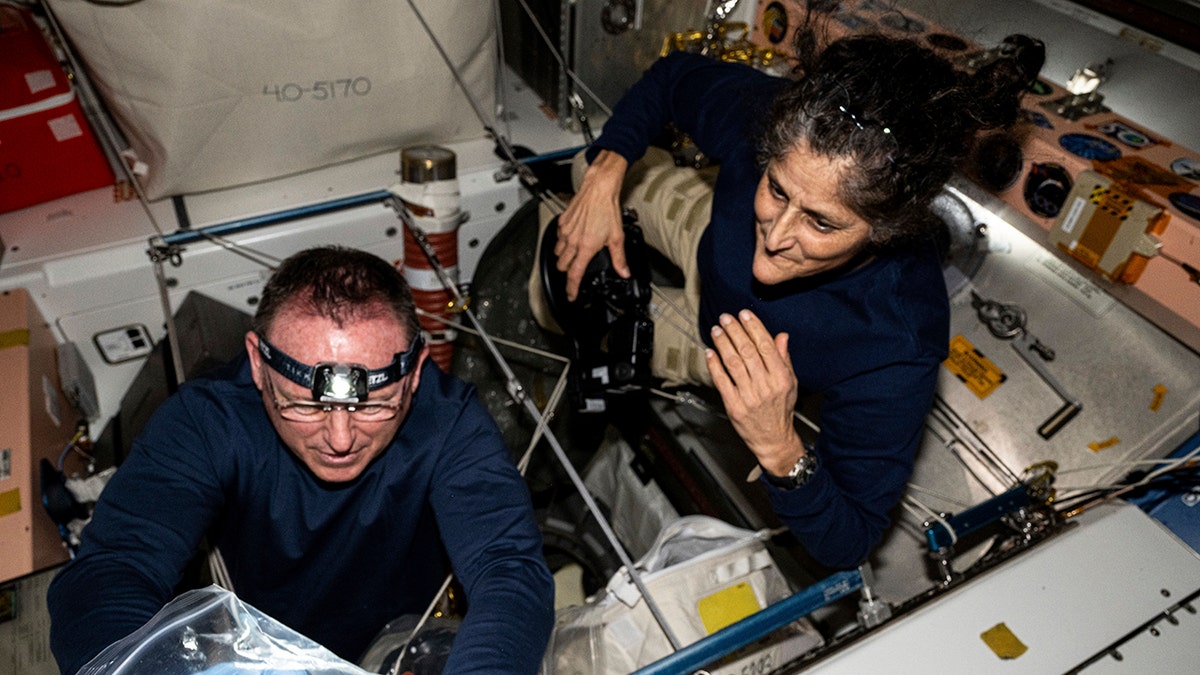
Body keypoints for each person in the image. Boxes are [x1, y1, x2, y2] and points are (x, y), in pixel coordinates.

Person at [547, 24, 1031, 569]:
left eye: (821, 224)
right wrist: (606, 176)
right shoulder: (787, 126)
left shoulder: (897, 340)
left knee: (558, 303)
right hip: (706, 226)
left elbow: (851, 540)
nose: (774, 239)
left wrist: (779, 446)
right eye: (776, 188)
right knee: (583, 167)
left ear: (886, 230)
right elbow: (672, 75)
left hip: (729, 355)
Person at [48, 246, 555, 674]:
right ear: (256, 362)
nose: (339, 439)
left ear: (416, 371)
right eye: (305, 403)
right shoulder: (207, 422)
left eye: (376, 403)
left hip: (407, 644)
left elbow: (509, 571)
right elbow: (110, 572)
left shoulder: (449, 422)